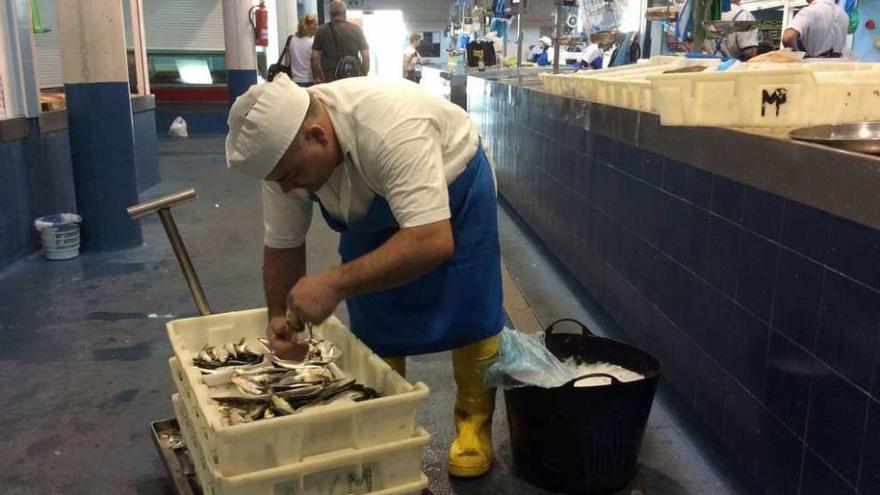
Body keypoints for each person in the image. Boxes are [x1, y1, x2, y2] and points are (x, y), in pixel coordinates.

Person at [225, 74, 504, 478]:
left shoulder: (390, 128)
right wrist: (277, 316)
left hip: (453, 193)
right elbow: (284, 244)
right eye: (278, 180)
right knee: (374, 318)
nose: (286, 189)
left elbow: (430, 239)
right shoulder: (284, 160)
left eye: (290, 176)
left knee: (471, 309)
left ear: (318, 136)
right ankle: (383, 426)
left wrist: (334, 282)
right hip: (370, 207)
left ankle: (473, 425)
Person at [311, 0, 370, 83]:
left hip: (330, 78)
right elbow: (366, 56)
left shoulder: (321, 30)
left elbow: (314, 57)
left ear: (330, 13)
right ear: (345, 12)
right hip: (353, 77)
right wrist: (364, 75)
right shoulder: (356, 29)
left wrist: (316, 77)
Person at [782, 0, 848, 58]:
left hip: (812, 67)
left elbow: (788, 38)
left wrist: (798, 57)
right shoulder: (844, 15)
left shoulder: (809, 11)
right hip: (837, 67)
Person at [289, 13, 318, 87]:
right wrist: (317, 77)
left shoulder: (292, 40)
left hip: (294, 81)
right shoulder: (312, 42)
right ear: (309, 26)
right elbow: (315, 62)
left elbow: (287, 62)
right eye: (315, 24)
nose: (317, 27)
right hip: (309, 80)